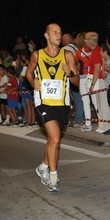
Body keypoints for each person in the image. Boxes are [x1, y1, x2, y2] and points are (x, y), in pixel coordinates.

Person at [26, 23, 79, 192]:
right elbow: (28, 72)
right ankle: (53, 177)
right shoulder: (37, 55)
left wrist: (70, 73)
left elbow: (77, 82)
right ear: (47, 36)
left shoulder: (68, 55)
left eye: (60, 32)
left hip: (61, 103)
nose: (58, 35)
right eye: (55, 32)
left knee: (52, 139)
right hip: (43, 102)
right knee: (55, 137)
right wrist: (32, 81)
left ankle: (43, 166)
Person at [85, 31, 110, 133]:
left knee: (102, 103)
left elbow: (97, 69)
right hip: (99, 79)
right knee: (99, 104)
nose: (85, 42)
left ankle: (106, 126)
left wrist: (92, 84)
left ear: (89, 41)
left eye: (86, 40)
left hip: (100, 79)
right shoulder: (96, 50)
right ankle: (102, 125)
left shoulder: (96, 51)